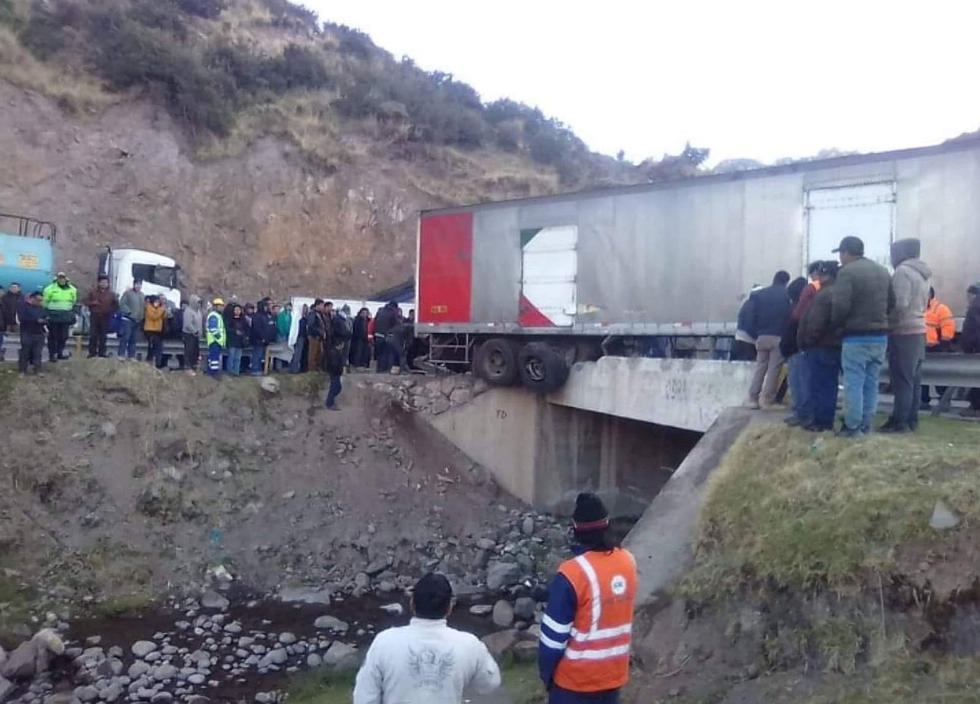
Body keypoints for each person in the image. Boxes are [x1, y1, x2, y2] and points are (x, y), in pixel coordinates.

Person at [539, 493, 636, 704]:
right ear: (607, 526)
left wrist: (546, 677)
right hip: (612, 678)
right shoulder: (628, 562)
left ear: (576, 530)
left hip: (574, 684)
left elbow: (552, 640)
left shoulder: (572, 574)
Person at [352, 573, 500, 704]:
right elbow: (490, 684)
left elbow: (364, 698)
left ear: (412, 604)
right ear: (449, 608)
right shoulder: (469, 645)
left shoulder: (384, 642)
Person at [830, 236, 892, 437]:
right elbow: (893, 302)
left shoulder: (847, 273)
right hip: (880, 336)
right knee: (871, 381)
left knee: (853, 381)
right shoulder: (883, 271)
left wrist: (837, 326)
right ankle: (866, 423)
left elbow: (840, 306)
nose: (840, 258)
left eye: (841, 253)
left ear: (847, 252)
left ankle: (852, 426)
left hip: (856, 337)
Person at [881, 239, 931, 433]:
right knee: (914, 380)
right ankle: (911, 420)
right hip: (920, 329)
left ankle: (899, 421)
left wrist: (888, 322)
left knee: (902, 379)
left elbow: (900, 304)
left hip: (904, 330)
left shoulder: (903, 272)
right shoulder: (924, 272)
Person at [797, 261, 841, 432]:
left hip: (820, 345)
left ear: (827, 275)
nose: (818, 278)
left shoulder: (824, 294)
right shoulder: (839, 292)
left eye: (821, 274)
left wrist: (807, 340)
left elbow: (816, 322)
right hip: (833, 345)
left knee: (818, 385)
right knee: (829, 385)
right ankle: (825, 420)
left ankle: (820, 421)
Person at [744, 271, 792, 409]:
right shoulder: (786, 295)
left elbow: (752, 316)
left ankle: (752, 399)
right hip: (778, 336)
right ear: (786, 282)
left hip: (761, 336)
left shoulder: (760, 295)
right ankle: (767, 400)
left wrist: (757, 333)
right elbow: (789, 316)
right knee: (773, 370)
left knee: (760, 368)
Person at [781, 276, 811, 426]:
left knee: (798, 384)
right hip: (798, 349)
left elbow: (791, 330)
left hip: (795, 350)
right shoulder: (805, 307)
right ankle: (802, 413)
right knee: (801, 383)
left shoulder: (798, 309)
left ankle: (801, 414)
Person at [921, 287, 956, 409]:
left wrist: (942, 345)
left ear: (929, 294)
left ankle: (944, 400)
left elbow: (948, 328)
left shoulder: (941, 309)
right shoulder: (918, 308)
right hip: (920, 347)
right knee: (921, 375)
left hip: (935, 347)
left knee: (938, 375)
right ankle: (923, 401)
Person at [42, 271, 77, 362]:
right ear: (56, 279)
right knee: (53, 336)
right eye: (60, 278)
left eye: (63, 278)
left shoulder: (72, 289)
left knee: (64, 336)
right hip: (53, 316)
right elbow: (45, 303)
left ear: (66, 279)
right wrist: (46, 314)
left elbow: (73, 301)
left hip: (65, 316)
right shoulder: (49, 289)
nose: (62, 280)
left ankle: (60, 353)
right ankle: (52, 354)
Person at [325, 305, 352, 410]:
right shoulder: (334, 350)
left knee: (337, 387)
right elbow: (334, 363)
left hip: (335, 370)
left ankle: (330, 402)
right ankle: (329, 403)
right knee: (335, 386)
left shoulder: (337, 321)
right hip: (334, 371)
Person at [84, 275, 118, 359]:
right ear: (99, 283)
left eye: (106, 282)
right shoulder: (93, 292)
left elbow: (116, 305)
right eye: (102, 282)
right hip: (95, 316)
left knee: (103, 336)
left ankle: (102, 352)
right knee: (93, 335)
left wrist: (111, 311)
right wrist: (93, 303)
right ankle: (92, 352)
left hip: (106, 316)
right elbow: (85, 301)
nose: (104, 284)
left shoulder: (111, 294)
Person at [961, 283, 980, 418]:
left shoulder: (974, 309)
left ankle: (975, 407)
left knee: (976, 379)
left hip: (976, 348)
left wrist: (968, 348)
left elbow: (970, 331)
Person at [17, 291, 46, 376]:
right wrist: (36, 320)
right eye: (37, 300)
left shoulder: (41, 309)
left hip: (39, 333)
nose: (39, 302)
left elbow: (46, 318)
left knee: (37, 353)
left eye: (41, 300)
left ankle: (38, 370)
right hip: (27, 332)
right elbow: (22, 318)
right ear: (31, 299)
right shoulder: (23, 307)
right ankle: (22, 371)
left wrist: (44, 321)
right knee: (25, 352)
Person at [249, 298, 277, 376]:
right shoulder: (257, 316)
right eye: (269, 304)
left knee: (262, 356)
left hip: (265, 340)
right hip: (258, 340)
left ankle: (261, 369)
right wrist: (263, 338)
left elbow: (270, 327)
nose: (270, 306)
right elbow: (257, 329)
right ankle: (255, 369)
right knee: (257, 354)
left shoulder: (267, 316)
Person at [118, 280, 145, 360]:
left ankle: (131, 356)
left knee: (134, 339)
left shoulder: (142, 295)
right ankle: (121, 354)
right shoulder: (128, 293)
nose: (138, 286)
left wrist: (142, 316)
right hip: (128, 320)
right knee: (125, 337)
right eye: (137, 284)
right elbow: (122, 303)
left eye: (140, 284)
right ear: (134, 284)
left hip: (137, 320)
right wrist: (128, 312)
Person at [374, 301, 400, 373]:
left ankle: (379, 369)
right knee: (388, 353)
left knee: (380, 354)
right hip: (387, 336)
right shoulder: (392, 313)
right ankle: (386, 369)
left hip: (378, 335)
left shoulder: (380, 311)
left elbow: (375, 322)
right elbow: (395, 324)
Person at [182, 295, 204, 375]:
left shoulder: (198, 311)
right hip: (189, 334)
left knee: (195, 351)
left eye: (200, 303)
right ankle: (187, 367)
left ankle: (194, 366)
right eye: (198, 302)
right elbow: (188, 324)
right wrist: (194, 331)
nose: (199, 304)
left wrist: (199, 332)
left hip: (196, 335)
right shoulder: (188, 311)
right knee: (189, 350)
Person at [226, 304, 249, 376]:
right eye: (236, 310)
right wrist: (235, 331)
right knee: (231, 356)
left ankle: (236, 372)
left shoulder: (243, 319)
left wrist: (245, 335)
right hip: (232, 341)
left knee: (238, 358)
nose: (237, 311)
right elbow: (227, 328)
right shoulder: (230, 319)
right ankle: (230, 371)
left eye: (239, 310)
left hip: (240, 341)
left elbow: (247, 329)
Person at [143, 296, 167, 367]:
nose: (157, 303)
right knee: (152, 347)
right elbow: (154, 316)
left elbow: (163, 316)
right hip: (150, 330)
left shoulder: (159, 309)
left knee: (159, 347)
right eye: (156, 302)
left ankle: (158, 363)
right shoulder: (149, 307)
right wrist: (162, 309)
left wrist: (164, 310)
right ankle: (149, 361)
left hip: (158, 330)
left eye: (158, 302)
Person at [206, 298, 226, 378]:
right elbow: (213, 329)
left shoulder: (217, 315)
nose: (221, 308)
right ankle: (214, 373)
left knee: (213, 357)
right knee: (214, 358)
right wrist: (219, 338)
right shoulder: (214, 316)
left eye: (222, 306)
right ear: (215, 306)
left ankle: (210, 371)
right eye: (220, 306)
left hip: (216, 341)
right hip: (215, 341)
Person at [305, 299, 326, 373]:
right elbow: (311, 326)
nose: (323, 307)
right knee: (312, 353)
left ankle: (317, 368)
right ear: (318, 305)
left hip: (319, 337)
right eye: (322, 305)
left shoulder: (320, 314)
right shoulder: (312, 314)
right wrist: (319, 332)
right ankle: (311, 369)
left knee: (320, 353)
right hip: (314, 336)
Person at [289, 303, 309, 374]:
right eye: (304, 309)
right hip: (298, 337)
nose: (305, 311)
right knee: (297, 354)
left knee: (299, 354)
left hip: (303, 337)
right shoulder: (297, 317)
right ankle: (294, 369)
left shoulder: (304, 318)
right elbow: (295, 328)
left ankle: (296, 368)